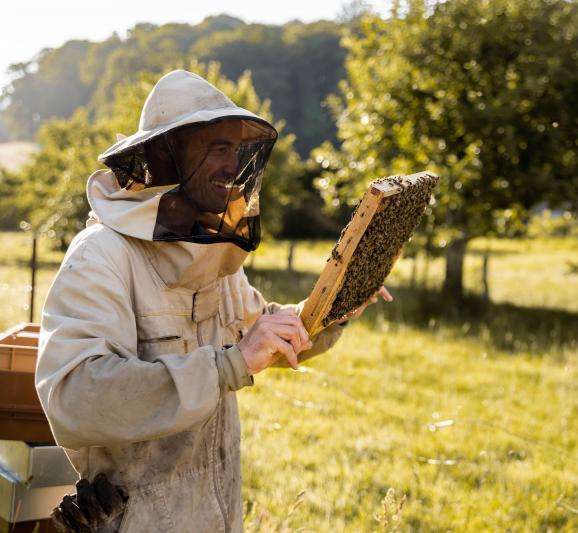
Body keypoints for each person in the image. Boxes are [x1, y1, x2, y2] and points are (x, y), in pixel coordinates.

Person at [36, 70, 390, 532]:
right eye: (217, 148)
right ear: (167, 155)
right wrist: (228, 364)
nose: (233, 165)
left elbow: (266, 336)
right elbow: (76, 396)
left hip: (214, 512)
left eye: (237, 150)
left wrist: (336, 306)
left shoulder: (214, 255)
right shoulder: (103, 255)